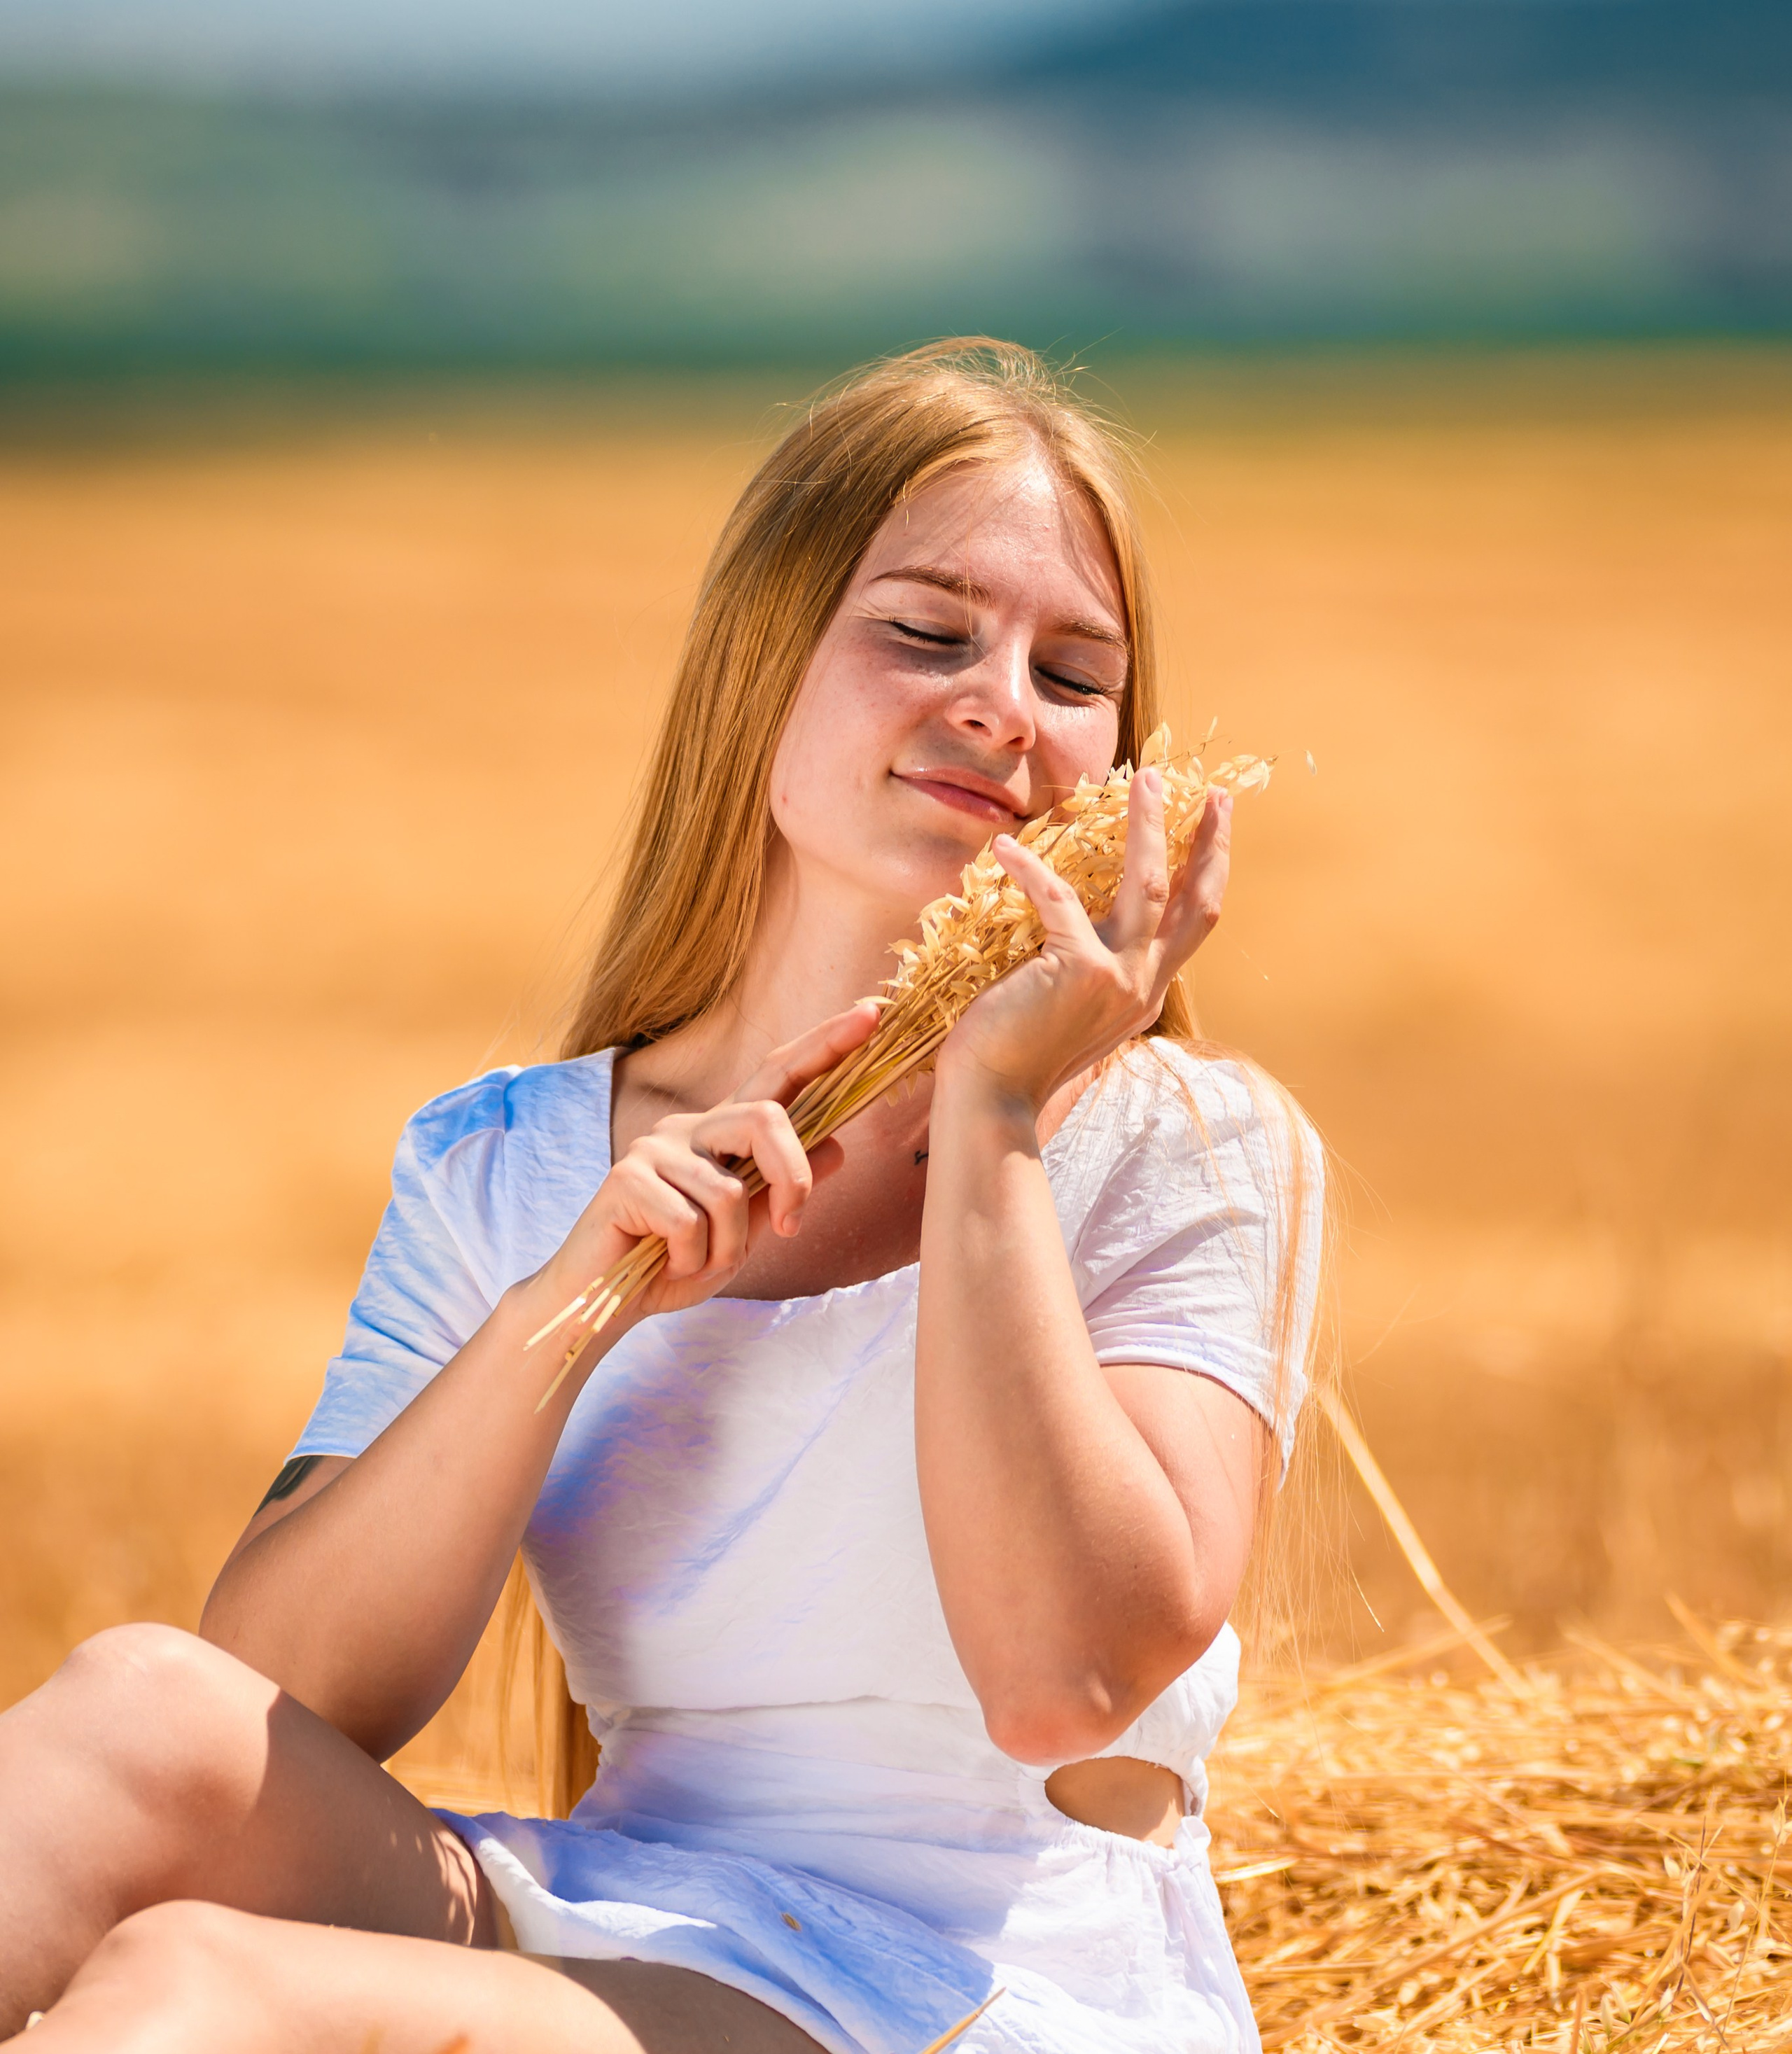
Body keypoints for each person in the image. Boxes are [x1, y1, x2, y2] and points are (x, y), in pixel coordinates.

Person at [0, 340, 1322, 2054]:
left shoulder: (1178, 1145)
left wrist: (989, 1117)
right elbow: (293, 1698)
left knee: (200, 1983)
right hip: (637, 1906)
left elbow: (1058, 1680)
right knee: (134, 1710)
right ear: (756, 666)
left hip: (998, 1991)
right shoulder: (509, 1158)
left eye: (1074, 675)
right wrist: (580, 1298)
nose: (1004, 701)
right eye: (926, 634)